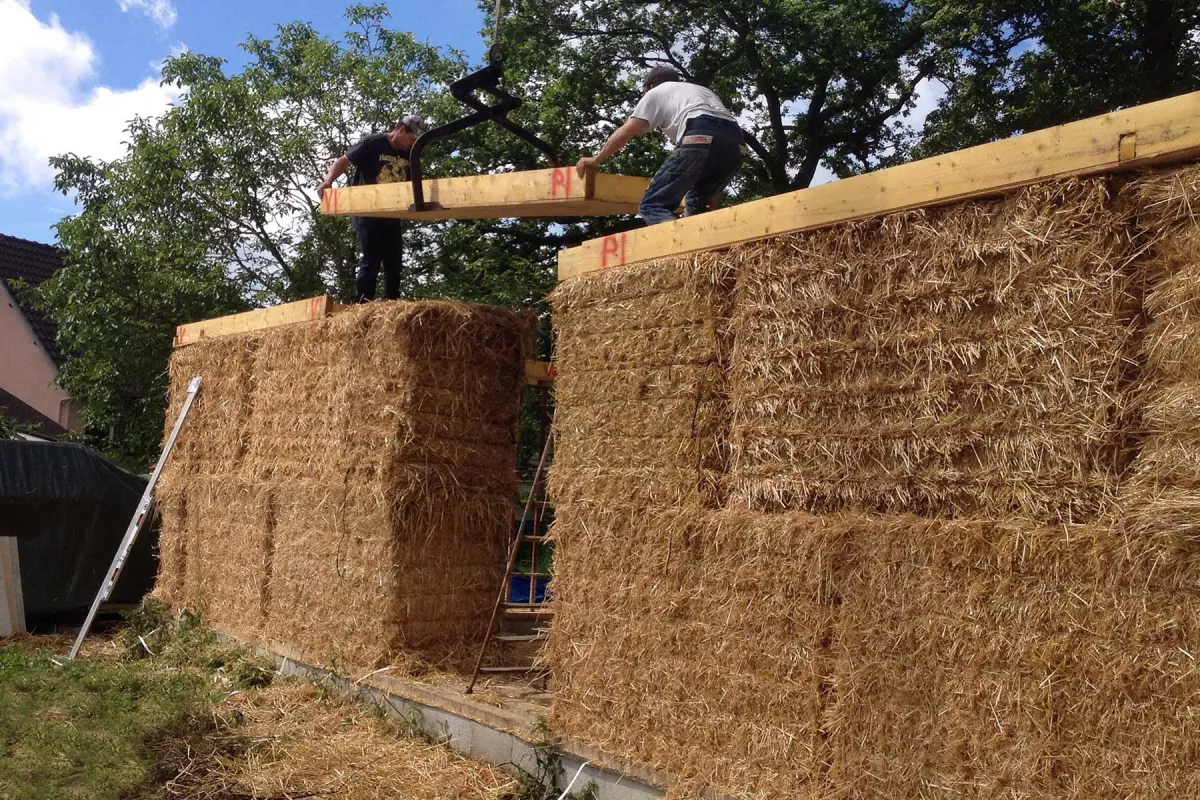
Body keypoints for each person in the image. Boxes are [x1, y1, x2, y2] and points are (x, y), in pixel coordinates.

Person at [576, 67, 743, 225]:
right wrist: (708, 194)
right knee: (696, 209)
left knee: (652, 206)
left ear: (651, 85)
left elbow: (627, 131)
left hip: (699, 130)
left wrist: (596, 159)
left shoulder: (656, 92)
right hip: (737, 145)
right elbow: (714, 150)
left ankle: (680, 241)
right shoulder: (702, 91)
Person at [318, 115, 429, 301]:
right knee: (371, 259)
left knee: (394, 261)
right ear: (402, 129)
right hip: (367, 211)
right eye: (412, 139)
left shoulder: (410, 153)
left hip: (392, 213)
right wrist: (328, 181)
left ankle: (391, 303)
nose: (412, 144)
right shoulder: (373, 143)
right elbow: (342, 161)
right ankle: (363, 302)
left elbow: (412, 184)